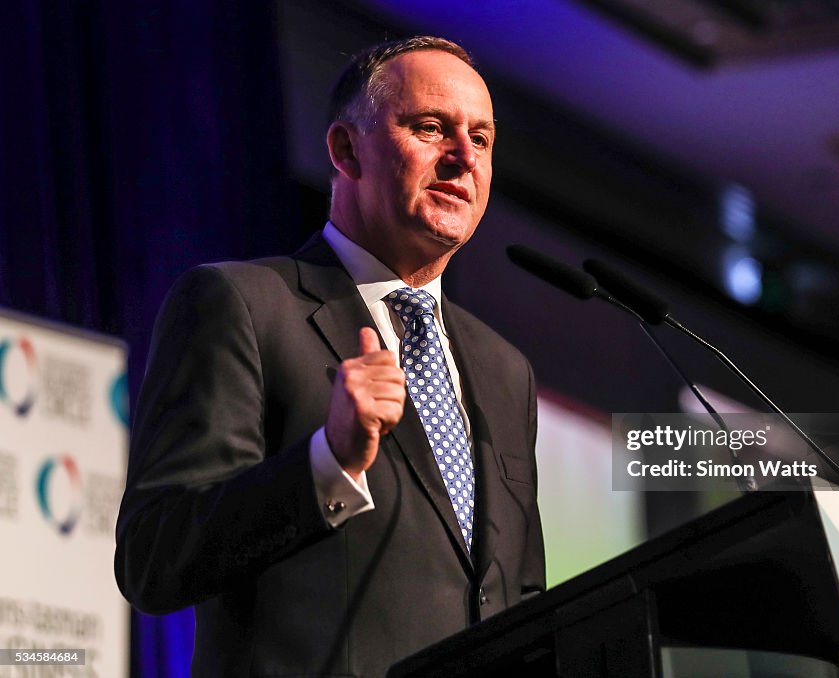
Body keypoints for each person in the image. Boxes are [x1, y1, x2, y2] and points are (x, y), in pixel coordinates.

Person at [115, 36, 545, 677]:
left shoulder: (505, 370)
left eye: (480, 140)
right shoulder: (244, 305)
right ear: (346, 150)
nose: (462, 158)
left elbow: (519, 596)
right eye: (431, 128)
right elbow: (156, 555)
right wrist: (329, 462)